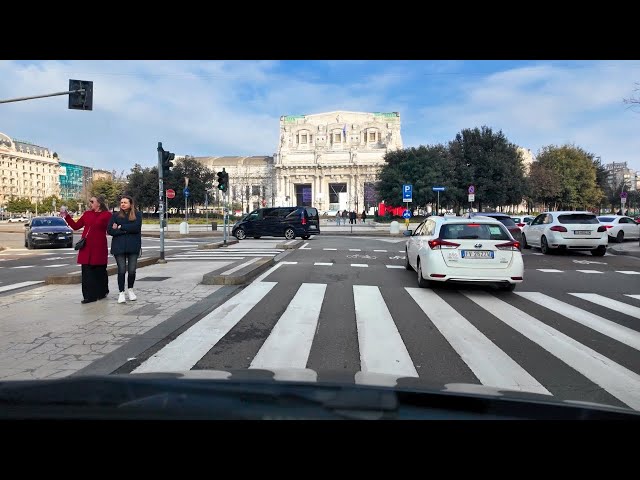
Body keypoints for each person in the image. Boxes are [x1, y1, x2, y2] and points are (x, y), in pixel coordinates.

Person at [61, 195, 112, 304]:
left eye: (92, 201)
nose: (90, 203)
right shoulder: (87, 214)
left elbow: (111, 228)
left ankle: (102, 292)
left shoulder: (107, 215)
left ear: (99, 203)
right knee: (86, 273)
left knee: (100, 272)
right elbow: (75, 226)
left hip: (99, 247)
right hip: (86, 247)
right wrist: (67, 216)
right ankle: (89, 296)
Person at [107, 195, 143, 304]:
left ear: (131, 204)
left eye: (125, 202)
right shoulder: (115, 215)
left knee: (132, 270)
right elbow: (110, 231)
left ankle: (130, 290)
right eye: (121, 202)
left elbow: (136, 228)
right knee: (121, 270)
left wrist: (120, 227)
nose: (122, 204)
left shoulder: (137, 214)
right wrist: (127, 229)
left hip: (133, 246)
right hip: (119, 246)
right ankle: (121, 292)